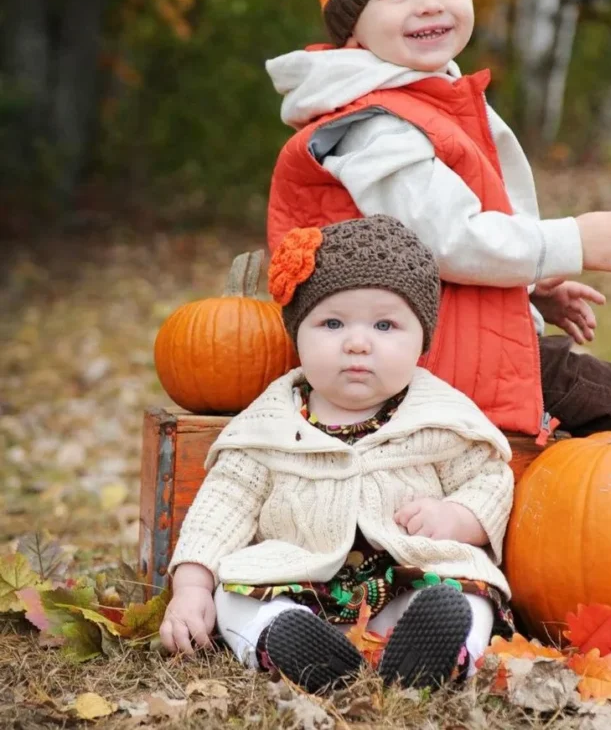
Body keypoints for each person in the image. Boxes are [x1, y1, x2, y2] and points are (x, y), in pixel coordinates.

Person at [265, 0, 611, 440]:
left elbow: (425, 247)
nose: (427, 5)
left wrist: (529, 288)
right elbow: (448, 239)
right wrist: (564, 243)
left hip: (448, 340)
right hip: (406, 365)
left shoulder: (427, 97)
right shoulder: (376, 126)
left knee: (602, 403)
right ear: (353, 28)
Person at [159, 215, 515, 693]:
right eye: (332, 322)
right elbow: (222, 506)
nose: (357, 342)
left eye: (386, 324)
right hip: (296, 582)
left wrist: (458, 516)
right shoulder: (269, 426)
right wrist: (191, 587)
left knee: (469, 595)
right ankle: (283, 643)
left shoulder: (441, 416)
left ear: (422, 339)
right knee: (234, 597)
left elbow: (491, 479)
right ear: (296, 334)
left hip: (407, 580)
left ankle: (438, 651)